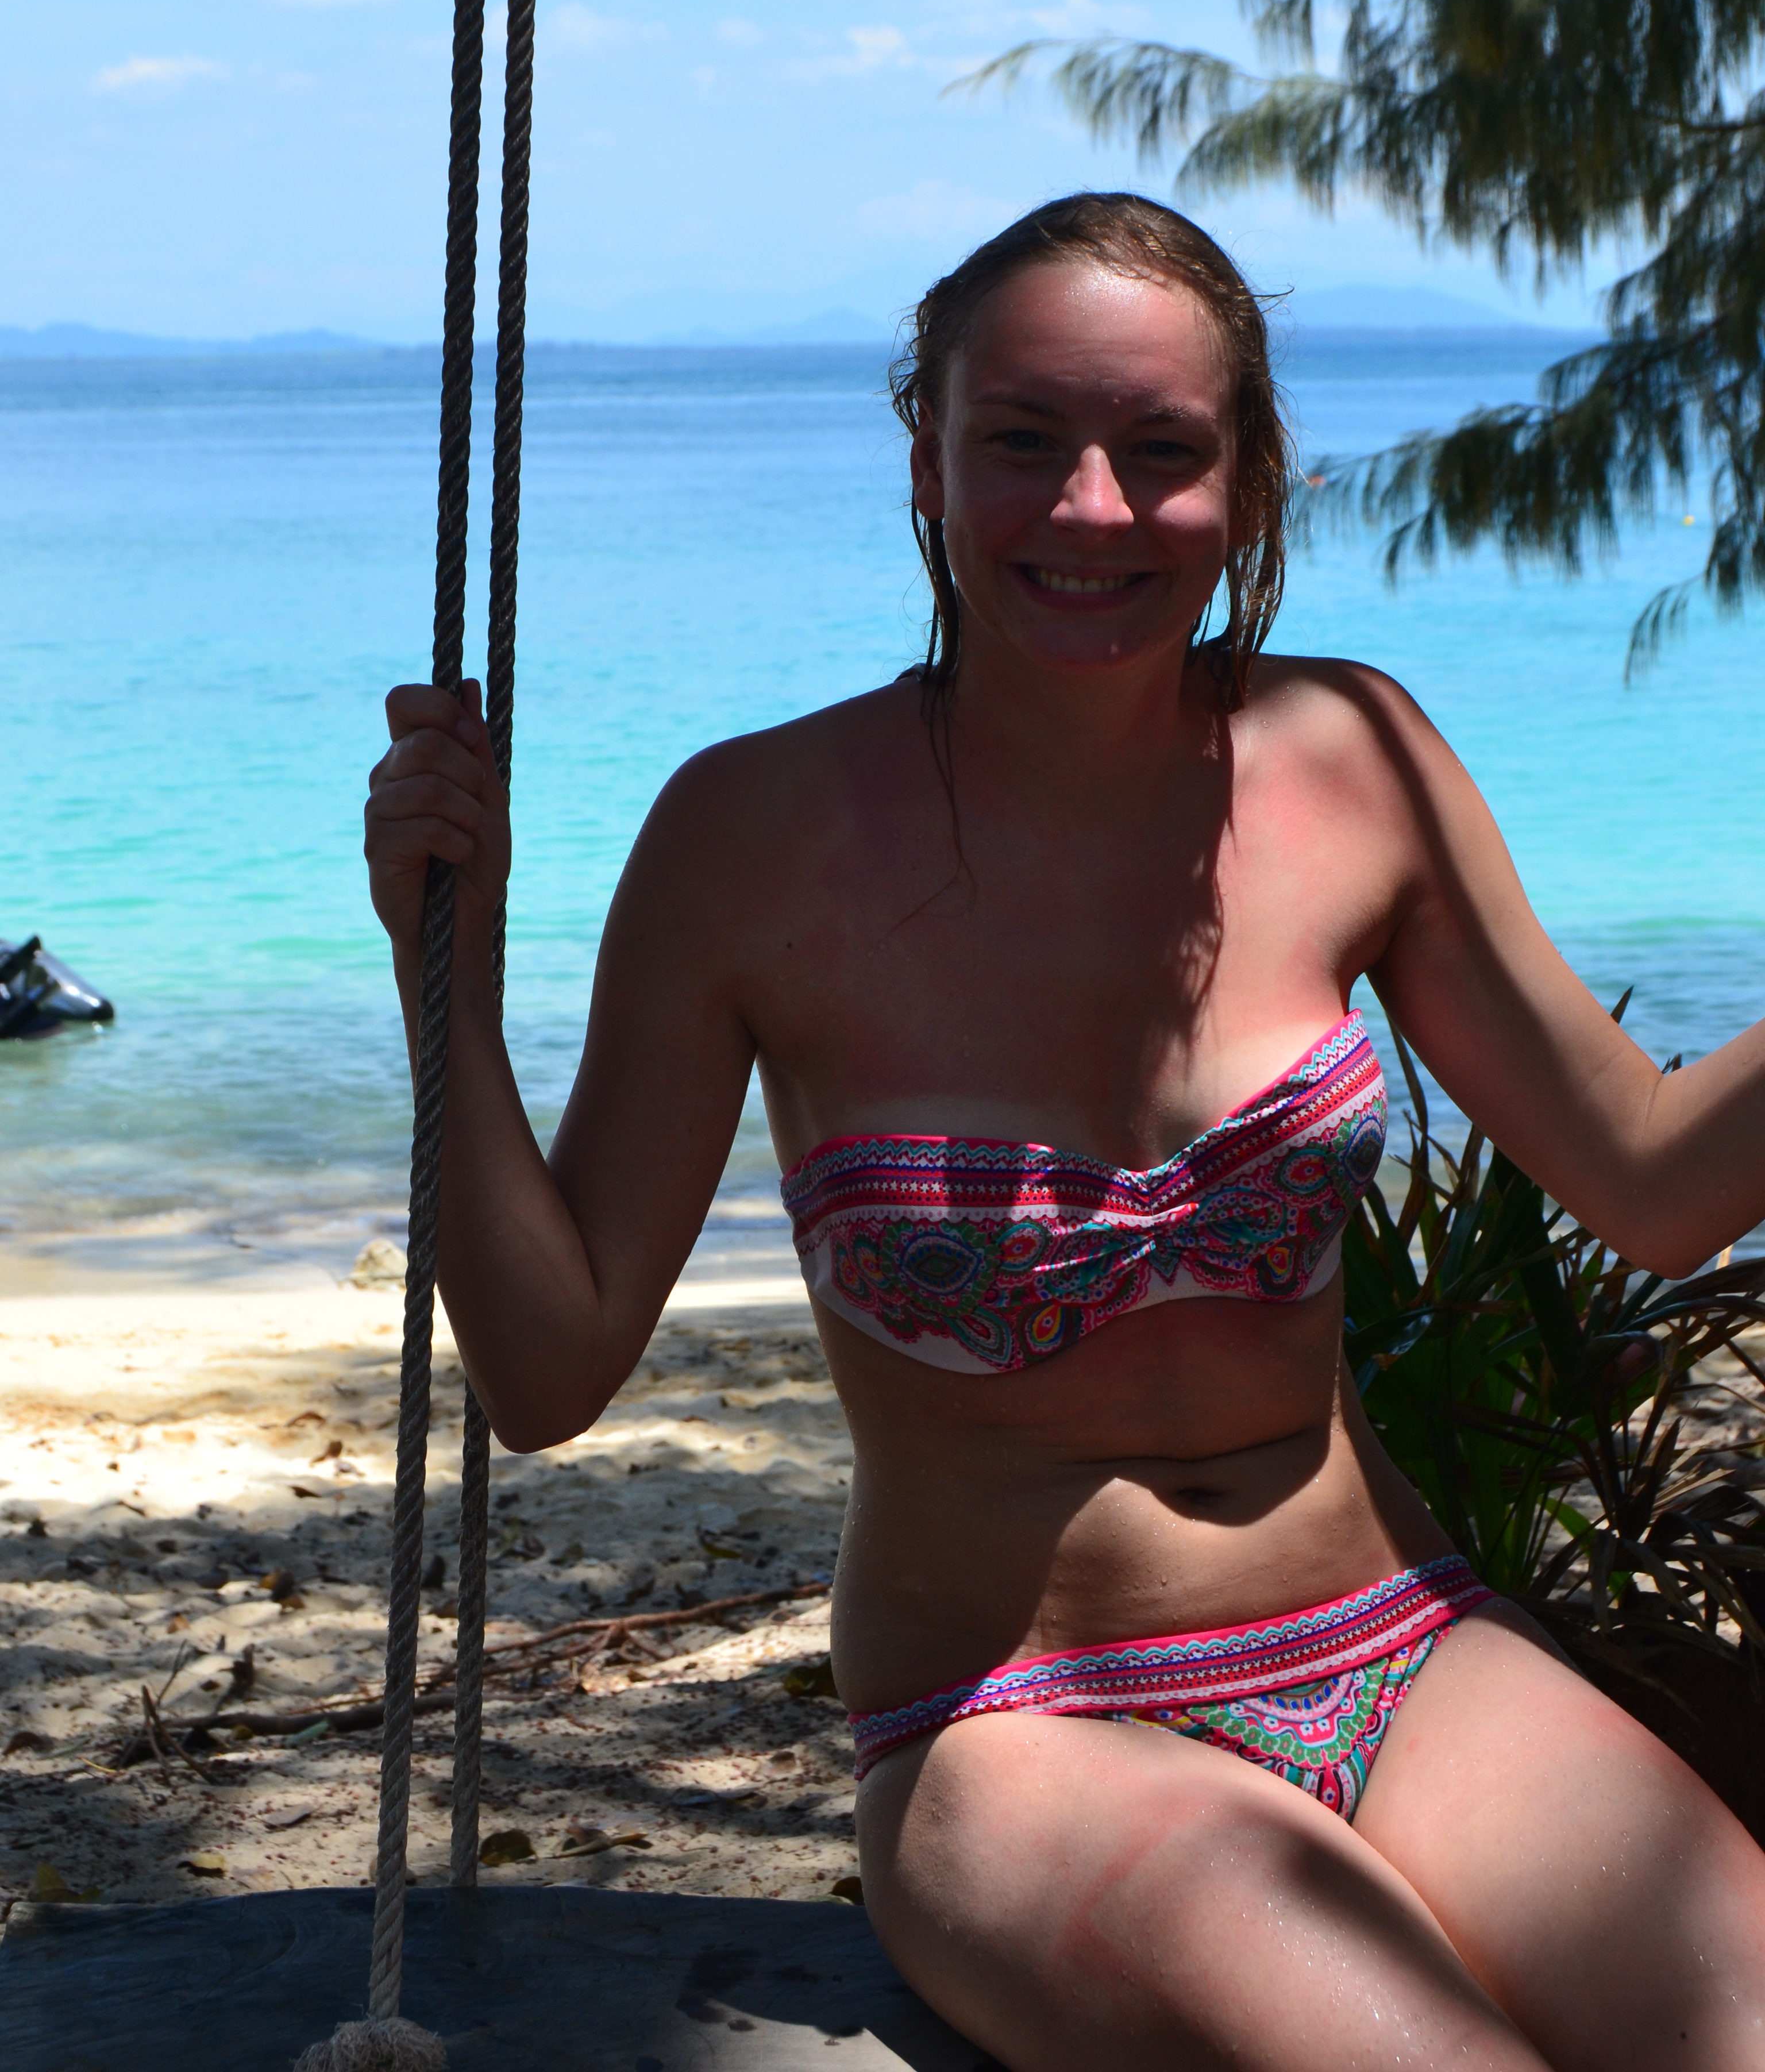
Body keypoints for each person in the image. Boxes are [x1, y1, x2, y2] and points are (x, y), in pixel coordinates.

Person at [364, 193, 1765, 2071]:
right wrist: (441, 980)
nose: (1092, 510)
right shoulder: (754, 838)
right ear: (927, 462)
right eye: (1024, 440)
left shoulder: (1358, 760)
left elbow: (1657, 1184)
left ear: (1249, 484)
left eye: (1162, 452)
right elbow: (549, 1369)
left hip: (1404, 1649)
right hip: (1020, 1729)